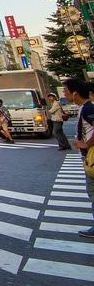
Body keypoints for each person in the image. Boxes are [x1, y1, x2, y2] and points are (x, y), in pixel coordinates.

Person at [63, 78, 94, 239]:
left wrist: (86, 144)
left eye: (66, 91)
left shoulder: (88, 108)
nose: (64, 94)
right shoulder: (85, 108)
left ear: (75, 93)